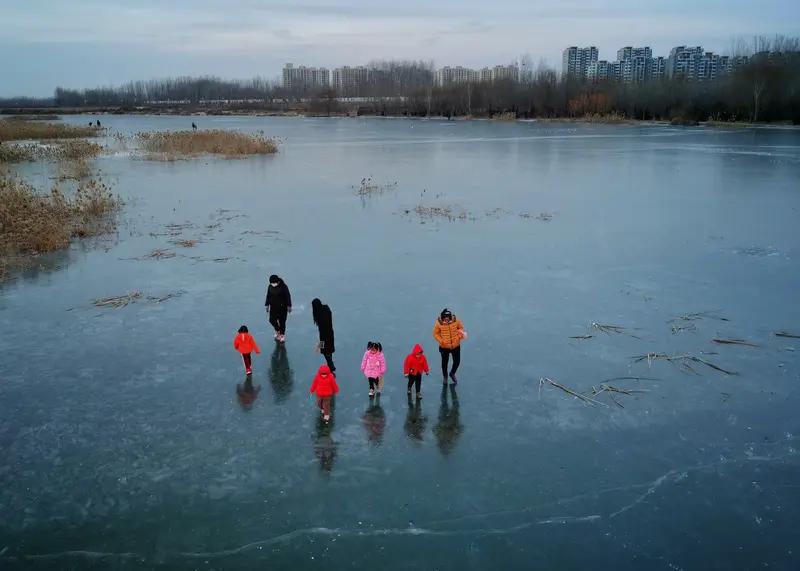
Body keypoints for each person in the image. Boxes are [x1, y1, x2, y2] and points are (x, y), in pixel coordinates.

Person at [433, 308, 466, 385]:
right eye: (445, 317)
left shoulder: (456, 321)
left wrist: (459, 336)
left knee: (457, 361)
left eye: (448, 317)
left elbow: (461, 328)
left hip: (455, 345)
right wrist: (441, 341)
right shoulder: (439, 323)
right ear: (442, 317)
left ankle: (452, 373)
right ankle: (445, 377)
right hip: (444, 347)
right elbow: (435, 333)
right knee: (444, 363)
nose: (447, 319)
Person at [265, 274, 292, 342]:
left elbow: (288, 296)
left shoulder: (284, 287)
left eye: (274, 283)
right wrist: (267, 305)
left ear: (278, 282)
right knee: (272, 320)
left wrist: (289, 306)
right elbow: (268, 296)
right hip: (273, 307)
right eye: (271, 283)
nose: (273, 284)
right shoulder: (270, 287)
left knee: (282, 322)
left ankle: (282, 335)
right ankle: (278, 331)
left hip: (282, 308)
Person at [312, 298, 336, 373]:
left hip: (323, 334)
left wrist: (319, 345)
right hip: (330, 332)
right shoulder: (326, 308)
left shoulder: (318, 314)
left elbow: (320, 325)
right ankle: (330, 364)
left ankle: (331, 365)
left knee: (324, 351)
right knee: (329, 349)